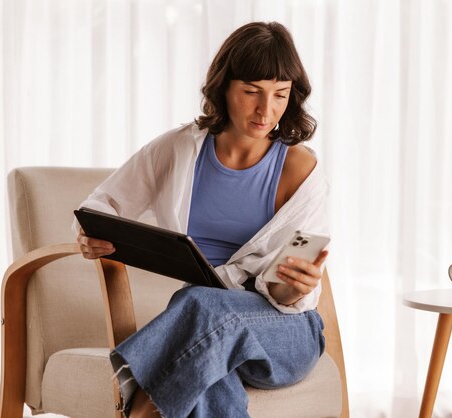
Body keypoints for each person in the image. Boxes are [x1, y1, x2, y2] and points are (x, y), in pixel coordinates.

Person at [75, 21, 330, 418]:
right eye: (251, 92)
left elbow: (283, 294)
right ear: (224, 87)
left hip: (285, 331)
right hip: (205, 332)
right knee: (208, 368)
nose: (267, 110)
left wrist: (295, 288)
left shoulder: (301, 169)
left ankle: (139, 408)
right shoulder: (180, 149)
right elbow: (103, 204)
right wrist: (91, 234)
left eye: (280, 95)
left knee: (197, 303)